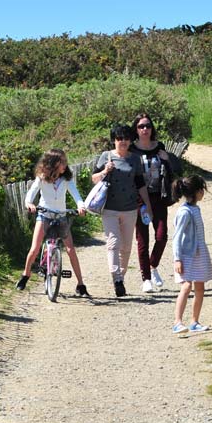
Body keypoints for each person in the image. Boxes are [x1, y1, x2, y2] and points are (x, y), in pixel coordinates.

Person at [16, 149, 90, 297]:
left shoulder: (67, 179)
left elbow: (76, 195)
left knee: (70, 250)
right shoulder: (42, 178)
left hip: (61, 217)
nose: (64, 165)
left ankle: (80, 284)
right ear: (53, 163)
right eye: (61, 162)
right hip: (44, 215)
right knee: (35, 248)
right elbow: (30, 195)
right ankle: (26, 275)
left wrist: (81, 206)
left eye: (65, 162)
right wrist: (29, 204)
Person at [92, 124, 154, 297]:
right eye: (120, 138)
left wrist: (147, 205)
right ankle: (117, 279)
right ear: (114, 140)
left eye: (126, 138)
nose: (123, 142)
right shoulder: (106, 157)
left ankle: (121, 276)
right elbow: (94, 179)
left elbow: (140, 184)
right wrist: (105, 170)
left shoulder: (135, 159)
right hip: (109, 209)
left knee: (126, 247)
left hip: (130, 208)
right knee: (113, 243)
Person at [129, 113, 181, 294]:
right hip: (138, 200)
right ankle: (146, 279)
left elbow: (170, 171)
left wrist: (167, 160)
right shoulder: (132, 150)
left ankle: (152, 265)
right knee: (142, 239)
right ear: (135, 129)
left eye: (148, 126)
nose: (145, 129)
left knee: (162, 236)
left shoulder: (159, 147)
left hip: (159, 196)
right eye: (141, 126)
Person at [171, 175, 212, 334]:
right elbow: (176, 238)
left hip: (199, 254)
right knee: (187, 286)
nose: (203, 192)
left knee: (200, 287)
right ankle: (177, 322)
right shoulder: (184, 212)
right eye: (201, 189)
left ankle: (194, 322)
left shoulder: (195, 209)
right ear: (195, 192)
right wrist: (177, 259)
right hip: (186, 256)